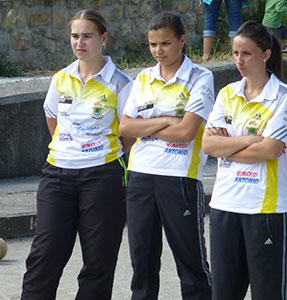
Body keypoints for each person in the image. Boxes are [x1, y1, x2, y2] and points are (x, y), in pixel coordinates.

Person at [21, 9, 134, 300]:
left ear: (103, 38)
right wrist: (70, 148)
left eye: (87, 36)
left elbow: (129, 133)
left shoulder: (121, 83)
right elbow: (52, 118)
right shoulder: (61, 78)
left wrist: (99, 153)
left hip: (103, 175)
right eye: (74, 36)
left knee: (98, 262)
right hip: (57, 175)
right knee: (44, 257)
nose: (79, 42)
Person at [119, 12, 213, 300]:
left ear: (182, 41)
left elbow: (186, 132)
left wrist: (149, 126)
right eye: (152, 44)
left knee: (191, 263)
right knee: (142, 263)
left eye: (165, 44)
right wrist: (167, 120)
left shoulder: (201, 77)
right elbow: (125, 127)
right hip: (141, 176)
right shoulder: (143, 78)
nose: (158, 51)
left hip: (179, 177)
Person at [202, 20, 287, 300]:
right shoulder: (227, 93)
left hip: (264, 209)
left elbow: (268, 151)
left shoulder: (282, 96)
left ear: (265, 55)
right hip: (224, 205)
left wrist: (227, 145)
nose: (239, 61)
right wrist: (248, 140)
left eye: (247, 54)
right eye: (235, 53)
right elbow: (208, 145)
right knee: (223, 293)